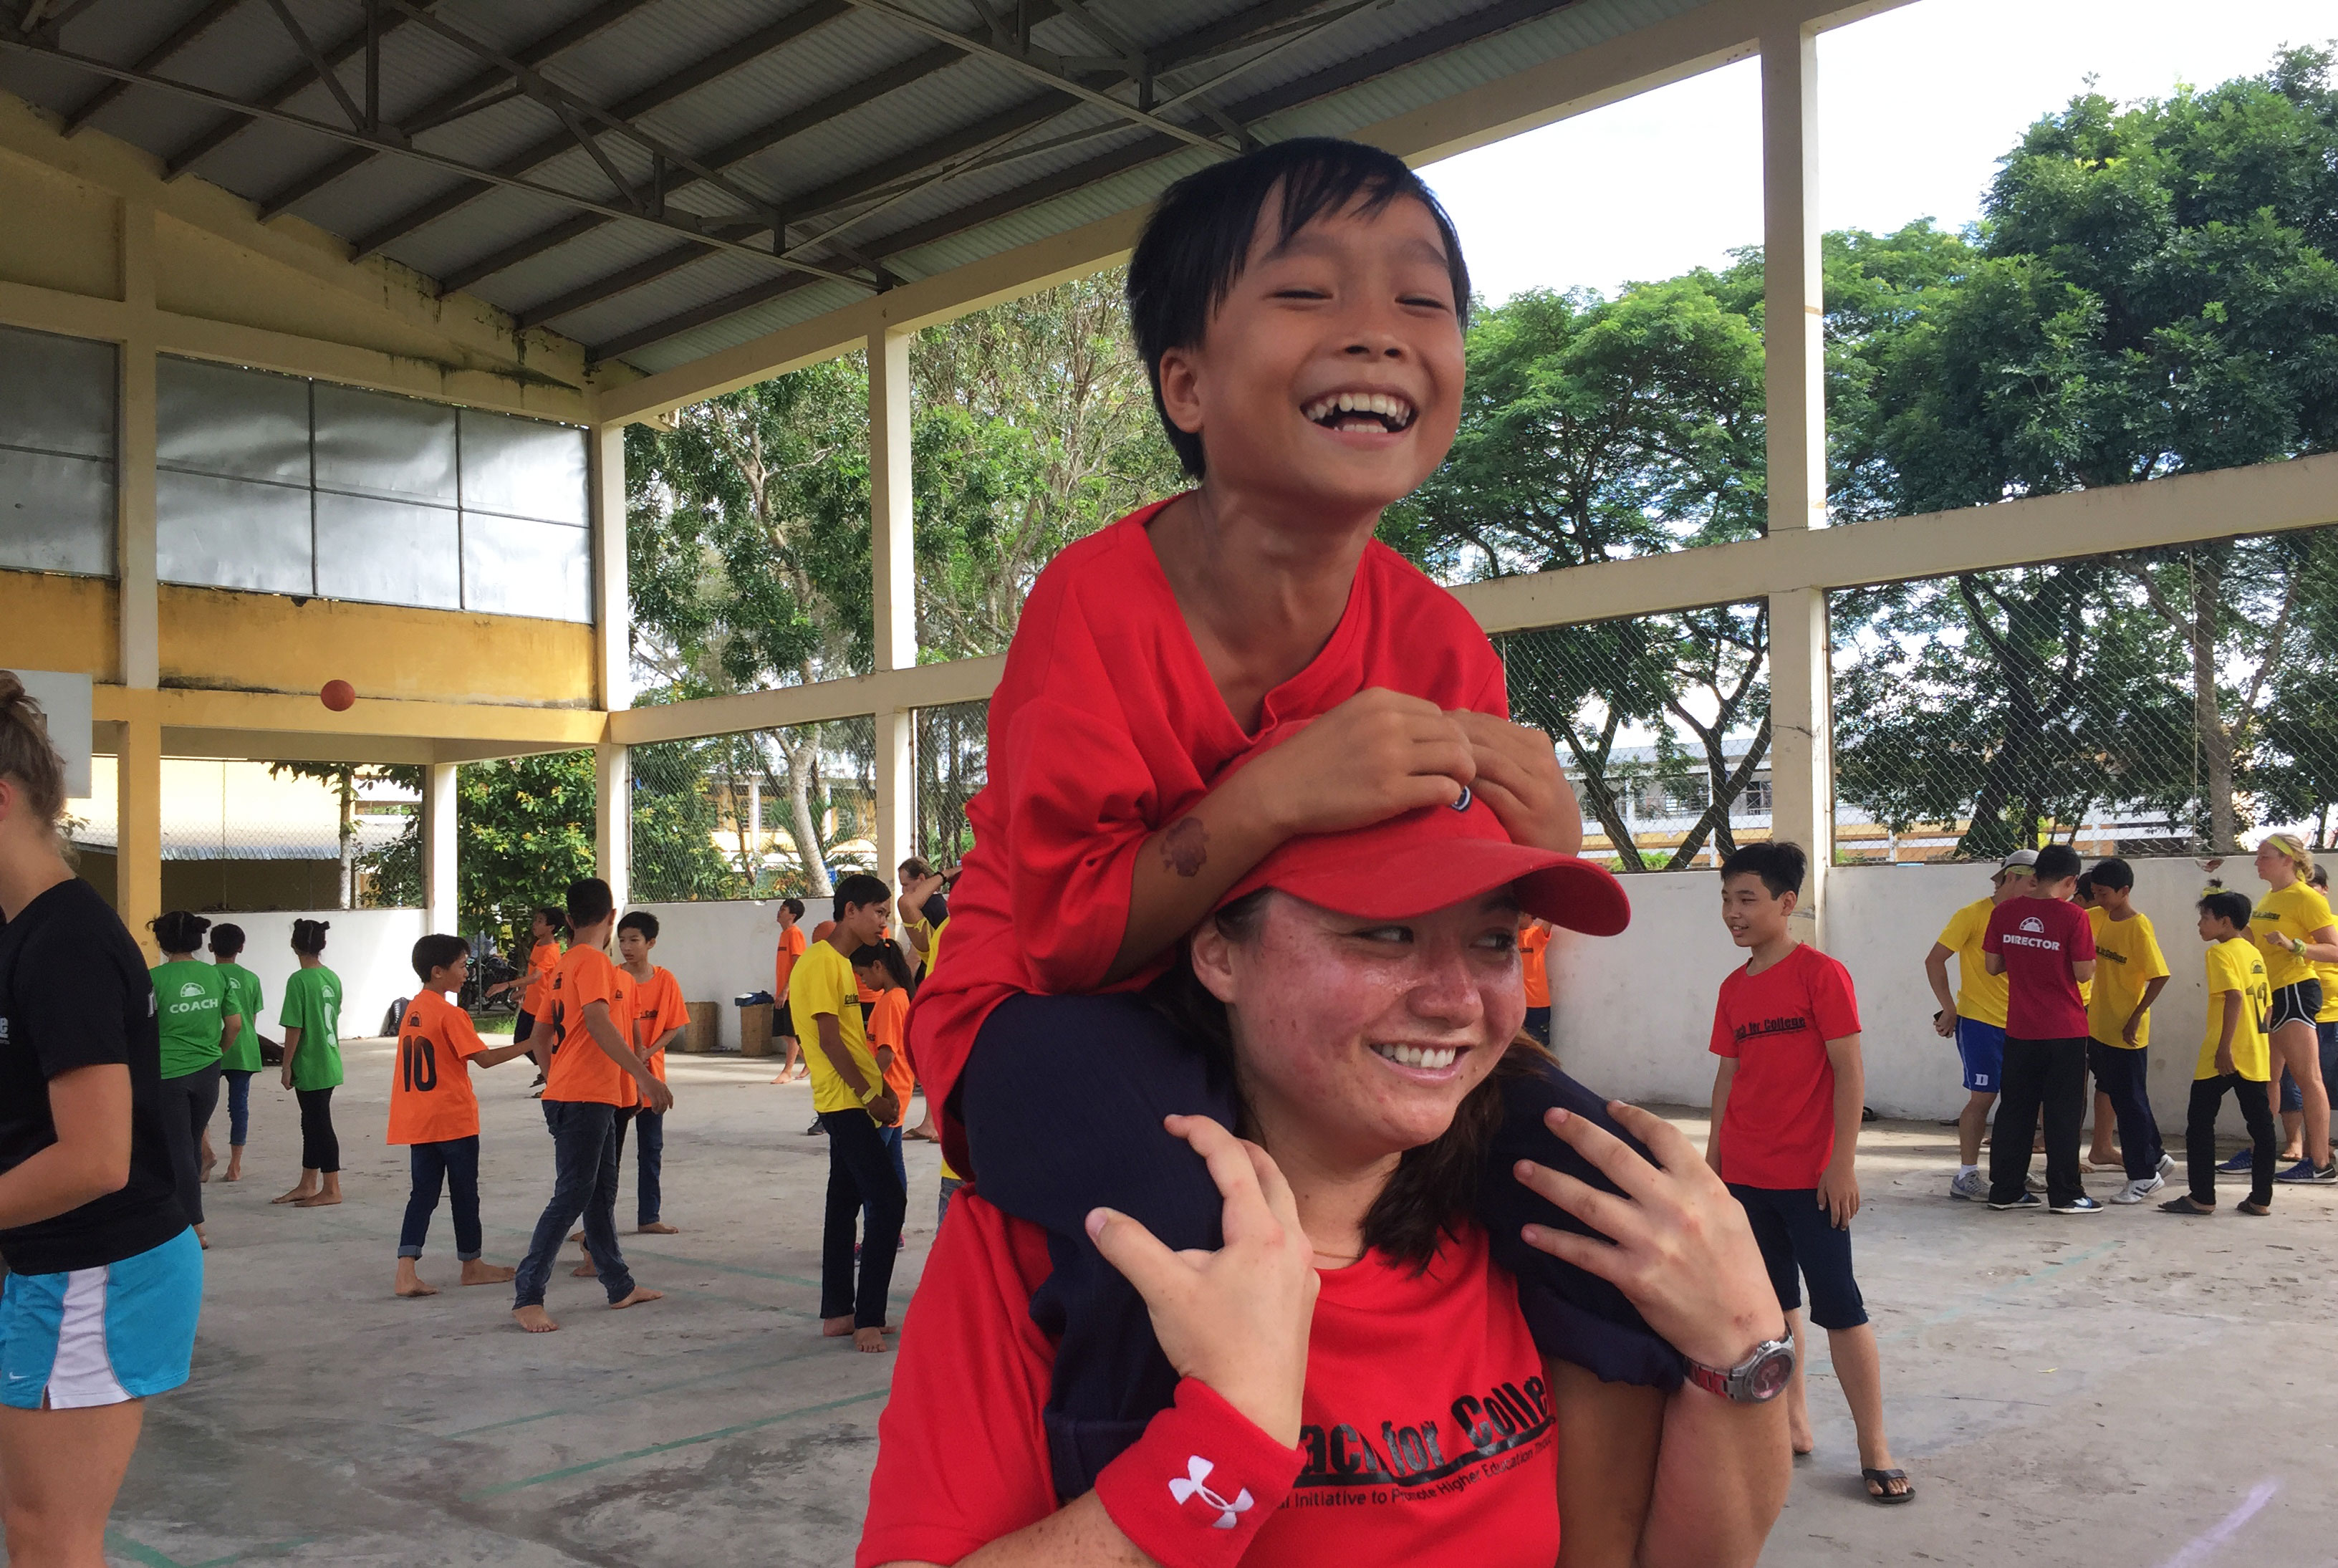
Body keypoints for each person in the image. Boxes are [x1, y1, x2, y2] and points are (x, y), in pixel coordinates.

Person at [903, 135, 1675, 1498]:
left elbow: (1449, 918)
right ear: (1185, 384)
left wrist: (1538, 846)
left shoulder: (1437, 639)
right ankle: (1148, 1503)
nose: (1376, 332)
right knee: (1175, 1209)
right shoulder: (1091, 607)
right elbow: (1075, 941)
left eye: (1421, 302)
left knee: (1606, 1183)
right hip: (1042, 1004)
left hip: (1278, 1004)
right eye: (1308, 295)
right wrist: (1270, 796)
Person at [860, 799, 1792, 1568]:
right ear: (1220, 951)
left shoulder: (1541, 1235)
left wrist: (1744, 1348)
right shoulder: (1062, 1247)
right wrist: (1218, 1451)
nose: (1456, 999)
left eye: (1494, 941)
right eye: (1385, 934)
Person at [0, 672, 203, 1566]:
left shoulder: (67, 940)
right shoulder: (22, 931)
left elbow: (94, 1158)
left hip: (98, 1266)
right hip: (47, 1261)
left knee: (51, 1534)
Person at [1706, 842, 1908, 1504]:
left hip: (1811, 1178)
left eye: (1747, 899)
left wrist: (1841, 1163)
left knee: (1839, 1306)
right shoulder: (1733, 989)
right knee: (1772, 1309)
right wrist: (1714, 1162)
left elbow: (1849, 1071)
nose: (1733, 913)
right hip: (1745, 1174)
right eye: (1727, 900)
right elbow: (1727, 1077)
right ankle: (1794, 1422)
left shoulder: (1821, 975)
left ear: (1786, 903)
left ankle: (1873, 1444)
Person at [511, 878, 672, 1333]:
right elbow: (598, 1022)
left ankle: (619, 1285)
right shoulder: (596, 964)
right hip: (583, 1097)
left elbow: (540, 1036)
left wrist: (555, 1073)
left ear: (566, 919)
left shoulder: (562, 966)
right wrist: (644, 1076)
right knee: (573, 1195)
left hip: (579, 1093)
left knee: (598, 1195)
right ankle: (528, 1294)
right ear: (611, 915)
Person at [790, 875, 905, 1352]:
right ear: (851, 910)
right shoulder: (820, 961)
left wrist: (880, 1088)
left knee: (844, 1203)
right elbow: (829, 1040)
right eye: (879, 912)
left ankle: (839, 1312)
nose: (884, 922)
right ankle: (867, 1317)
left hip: (853, 1098)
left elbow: (854, 1041)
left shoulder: (838, 964)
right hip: (844, 1101)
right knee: (889, 1199)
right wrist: (868, 1096)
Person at [390, 935, 534, 1298]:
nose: (466, 972)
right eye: (460, 965)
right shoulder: (450, 1014)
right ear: (438, 972)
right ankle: (472, 1265)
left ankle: (406, 1270)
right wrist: (532, 1043)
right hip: (452, 1119)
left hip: (420, 1119)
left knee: (422, 1193)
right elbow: (483, 1060)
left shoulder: (413, 1009)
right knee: (464, 1193)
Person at [1982, 844, 2101, 1213]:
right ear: (2071, 881)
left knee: (2015, 1109)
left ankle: (2005, 1189)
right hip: (2064, 1029)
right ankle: (2066, 1194)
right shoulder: (2074, 918)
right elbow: (2083, 971)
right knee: (2062, 1113)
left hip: (2020, 1028)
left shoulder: (2005, 912)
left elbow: (1992, 965)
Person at [1923, 850, 2036, 1201]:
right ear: (2012, 877)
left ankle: (2012, 1168)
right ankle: (1967, 1175)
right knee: (1983, 1098)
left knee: (2021, 1101)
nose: (2038, 890)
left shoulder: (2030, 917)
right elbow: (1935, 960)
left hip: (2022, 1024)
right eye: (2032, 882)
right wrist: (1949, 1009)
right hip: (1981, 1023)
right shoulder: (1972, 915)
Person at [2162, 891, 2276, 1216]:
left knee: (2199, 1123)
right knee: (2262, 1126)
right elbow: (2267, 1005)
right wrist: (2257, 1039)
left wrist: (2225, 1047)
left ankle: (2202, 1197)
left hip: (2221, 1053)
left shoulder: (2220, 954)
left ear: (2225, 921)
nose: (2200, 924)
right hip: (2255, 1050)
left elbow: (2235, 998)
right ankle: (2261, 1200)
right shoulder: (2253, 954)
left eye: (2205, 918)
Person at [2078, 858, 2173, 1202]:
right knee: (2127, 1097)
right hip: (2098, 1025)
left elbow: (2160, 975)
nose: (2098, 899)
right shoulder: (2095, 918)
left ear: (2124, 891)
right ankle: (2156, 1156)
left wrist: (2136, 1016)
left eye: (2104, 893)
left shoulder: (2138, 927)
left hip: (2126, 1031)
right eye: (2094, 893)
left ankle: (2143, 1175)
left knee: (2130, 1103)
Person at [2243, 834, 2336, 1183]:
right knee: (2269, 1077)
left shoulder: (2306, 897)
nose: (2257, 862)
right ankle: (2261, 1151)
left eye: (2264, 856)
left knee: (2308, 1078)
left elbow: (2335, 950)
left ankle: (2321, 1164)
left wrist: (2295, 945)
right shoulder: (2270, 896)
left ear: (2287, 860)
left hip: (2297, 990)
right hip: (2272, 995)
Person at [150, 910, 236, 1246]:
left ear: (162, 941)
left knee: (180, 1150)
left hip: (169, 1074)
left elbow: (141, 1030)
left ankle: (193, 1226)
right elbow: (235, 1025)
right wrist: (216, 1052)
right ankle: (182, 1217)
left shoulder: (154, 979)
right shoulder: (216, 977)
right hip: (208, 1072)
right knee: (190, 1141)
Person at [614, 911, 688, 1236]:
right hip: (616, 1078)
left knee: (651, 1150)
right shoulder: (613, 978)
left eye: (634, 940)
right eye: (622, 940)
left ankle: (649, 1216)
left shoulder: (665, 980)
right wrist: (631, 1054)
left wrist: (648, 1051)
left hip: (651, 1077)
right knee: (607, 1156)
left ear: (651, 943)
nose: (627, 947)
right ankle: (597, 1223)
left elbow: (675, 1025)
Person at [271, 920, 345, 1209]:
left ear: (295, 945)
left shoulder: (299, 981)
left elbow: (295, 1027)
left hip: (310, 1062)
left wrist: (286, 1065)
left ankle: (331, 1187)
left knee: (319, 1124)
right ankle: (308, 1183)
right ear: (322, 946)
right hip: (329, 1059)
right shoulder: (331, 977)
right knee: (311, 1123)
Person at [854, 939, 918, 1241]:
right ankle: (894, 1231)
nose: (863, 981)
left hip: (887, 1096)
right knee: (893, 1163)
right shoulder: (902, 997)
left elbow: (886, 1054)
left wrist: (866, 1091)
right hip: (900, 1091)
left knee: (873, 1171)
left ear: (879, 966)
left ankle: (877, 1235)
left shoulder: (891, 1002)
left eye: (863, 974)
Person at [208, 923, 268, 1185]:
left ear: (210, 948)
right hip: (243, 1049)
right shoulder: (251, 978)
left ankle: (204, 1156)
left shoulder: (206, 976)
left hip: (210, 1048)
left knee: (202, 1107)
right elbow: (251, 1020)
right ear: (241, 948)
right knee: (239, 1107)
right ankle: (235, 1165)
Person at [500, 906, 565, 1090]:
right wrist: (524, 991)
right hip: (530, 1005)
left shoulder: (551, 951)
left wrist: (507, 985)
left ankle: (552, 1075)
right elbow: (541, 980)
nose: (534, 924)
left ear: (551, 927)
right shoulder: (538, 945)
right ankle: (549, 1071)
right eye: (535, 920)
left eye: (540, 921)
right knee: (522, 1041)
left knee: (534, 1043)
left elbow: (536, 976)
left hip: (543, 1009)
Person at [772, 898, 809, 1084]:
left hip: (792, 993)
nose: (779, 912)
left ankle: (787, 1071)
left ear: (793, 916)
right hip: (783, 991)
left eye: (783, 909)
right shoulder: (784, 934)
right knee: (785, 1033)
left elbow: (798, 964)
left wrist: (786, 990)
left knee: (791, 1033)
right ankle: (809, 1061)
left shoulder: (795, 933)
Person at [1519, 913, 1553, 1047]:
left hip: (1538, 1005)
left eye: (1522, 914)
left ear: (1531, 916)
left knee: (1539, 1048)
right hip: (1517, 1005)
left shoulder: (1537, 935)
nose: (1518, 917)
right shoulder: (1510, 938)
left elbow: (1551, 918)